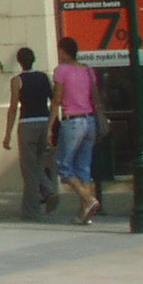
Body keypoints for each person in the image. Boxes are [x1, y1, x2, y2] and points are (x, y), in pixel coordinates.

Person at [51, 36, 106, 225]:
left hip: (73, 121)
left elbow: (57, 99)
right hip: (90, 120)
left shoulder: (61, 70)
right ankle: (84, 214)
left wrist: (51, 125)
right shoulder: (88, 70)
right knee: (84, 167)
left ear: (63, 51)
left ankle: (88, 200)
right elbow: (95, 98)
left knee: (64, 166)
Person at [2, 45, 60, 220]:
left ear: (19, 62)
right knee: (38, 163)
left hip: (27, 123)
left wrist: (7, 133)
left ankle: (32, 209)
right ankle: (47, 192)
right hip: (43, 122)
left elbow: (13, 107)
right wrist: (51, 125)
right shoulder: (44, 77)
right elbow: (54, 100)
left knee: (28, 169)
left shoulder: (17, 80)